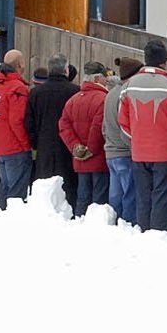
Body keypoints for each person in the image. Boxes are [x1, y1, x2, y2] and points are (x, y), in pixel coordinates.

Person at [119, 39, 167, 232]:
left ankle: (144, 232)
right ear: (164, 61)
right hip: (166, 154)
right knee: (162, 196)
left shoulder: (128, 86)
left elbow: (123, 122)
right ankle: (160, 235)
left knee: (143, 197)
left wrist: (134, 141)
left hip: (139, 152)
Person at [27, 53, 81, 207]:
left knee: (45, 188)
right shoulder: (75, 91)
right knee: (69, 188)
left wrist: (35, 144)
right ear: (66, 70)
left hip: (44, 147)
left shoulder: (35, 93)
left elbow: (29, 123)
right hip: (68, 148)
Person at [59, 61, 111, 217]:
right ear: (97, 79)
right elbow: (98, 128)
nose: (106, 80)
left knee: (82, 197)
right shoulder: (103, 99)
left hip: (80, 159)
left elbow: (63, 124)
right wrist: (91, 149)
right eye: (104, 77)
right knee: (99, 200)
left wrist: (75, 147)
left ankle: (80, 222)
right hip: (98, 158)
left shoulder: (73, 100)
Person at [0, 50, 32, 208]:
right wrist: (26, 145)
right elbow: (17, 121)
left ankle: (1, 216)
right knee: (16, 193)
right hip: (15, 148)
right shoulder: (17, 88)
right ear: (20, 64)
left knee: (5, 187)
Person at [102, 55, 143, 225]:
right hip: (125, 152)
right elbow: (126, 126)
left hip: (111, 152)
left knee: (116, 196)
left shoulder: (110, 94)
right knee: (130, 196)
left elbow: (104, 127)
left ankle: (114, 226)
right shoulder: (127, 94)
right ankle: (128, 227)